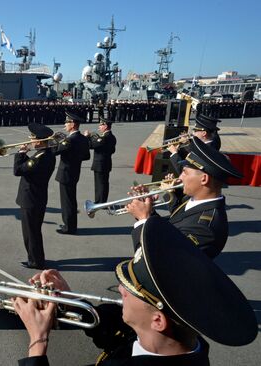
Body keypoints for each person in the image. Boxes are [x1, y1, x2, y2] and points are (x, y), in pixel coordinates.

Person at [14, 217, 257, 365]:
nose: (121, 289)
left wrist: (38, 341)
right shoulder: (187, 339)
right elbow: (125, 336)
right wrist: (71, 299)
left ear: (158, 320)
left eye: (130, 289)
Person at [127, 136, 243, 258]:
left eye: (185, 172)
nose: (180, 177)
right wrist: (149, 211)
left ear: (204, 179)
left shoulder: (205, 227)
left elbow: (162, 257)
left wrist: (143, 219)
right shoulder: (195, 200)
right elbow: (171, 228)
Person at [14, 123, 56, 269]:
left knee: (30, 233)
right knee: (34, 231)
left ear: (38, 141)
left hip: (31, 198)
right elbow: (29, 169)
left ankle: (36, 261)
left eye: (32, 138)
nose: (30, 140)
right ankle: (36, 257)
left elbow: (18, 170)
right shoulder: (46, 154)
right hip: (37, 197)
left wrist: (20, 154)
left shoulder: (40, 157)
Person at [54, 112, 91, 235]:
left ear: (73, 124)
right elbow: (86, 156)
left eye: (67, 122)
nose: (65, 124)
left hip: (66, 173)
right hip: (75, 172)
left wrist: (55, 141)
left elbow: (55, 151)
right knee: (71, 199)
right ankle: (71, 224)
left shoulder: (69, 140)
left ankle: (68, 227)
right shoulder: (82, 139)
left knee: (67, 201)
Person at [84, 117, 117, 204]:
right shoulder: (112, 137)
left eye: (101, 125)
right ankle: (101, 201)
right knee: (103, 183)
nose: (99, 127)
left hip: (100, 164)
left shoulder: (104, 138)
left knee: (100, 184)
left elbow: (91, 145)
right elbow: (112, 150)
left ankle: (100, 202)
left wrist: (87, 137)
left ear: (105, 126)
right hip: (106, 163)